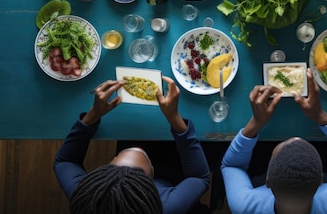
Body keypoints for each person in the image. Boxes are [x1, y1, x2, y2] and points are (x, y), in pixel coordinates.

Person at [54, 77, 211, 214]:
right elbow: (199, 177)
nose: (141, 149)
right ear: (151, 178)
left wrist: (94, 114)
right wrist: (175, 118)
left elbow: (65, 161)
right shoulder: (167, 207)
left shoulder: (88, 195)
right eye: (142, 171)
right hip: (173, 174)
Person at [221, 70, 327, 214]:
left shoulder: (243, 206)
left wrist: (256, 123)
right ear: (321, 181)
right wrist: (322, 117)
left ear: (267, 180)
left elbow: (231, 165)